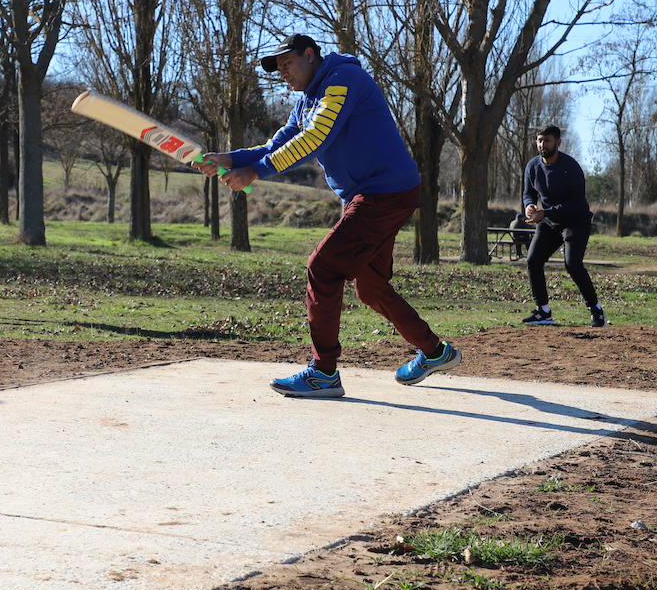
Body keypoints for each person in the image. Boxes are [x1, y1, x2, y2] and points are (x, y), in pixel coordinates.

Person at [196, 34, 461, 398]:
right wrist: (230, 159)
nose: (283, 74)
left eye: (287, 64)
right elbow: (276, 143)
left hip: (383, 192)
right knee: (370, 287)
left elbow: (316, 136)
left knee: (322, 266)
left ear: (310, 55)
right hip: (373, 194)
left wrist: (256, 172)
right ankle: (435, 352)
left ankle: (324, 372)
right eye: (278, 69)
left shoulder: (342, 80)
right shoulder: (306, 101)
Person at [520, 125, 606, 328]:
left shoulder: (571, 167)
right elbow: (528, 193)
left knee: (572, 264)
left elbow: (576, 204)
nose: (542, 144)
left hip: (576, 220)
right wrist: (529, 206)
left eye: (547, 140)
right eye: (540, 140)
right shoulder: (532, 166)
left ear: (558, 143)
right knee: (533, 260)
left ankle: (596, 310)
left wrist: (545, 212)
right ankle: (544, 311)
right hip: (550, 222)